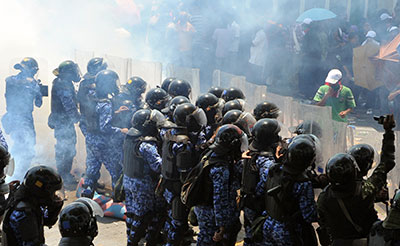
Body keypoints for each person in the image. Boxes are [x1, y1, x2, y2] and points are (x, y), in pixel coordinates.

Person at [317, 114, 396, 246]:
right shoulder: (365, 190)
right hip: (364, 241)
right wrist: (388, 132)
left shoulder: (324, 196)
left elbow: (322, 221)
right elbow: (387, 162)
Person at [159, 103, 207, 246]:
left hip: (168, 184)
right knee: (178, 225)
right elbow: (184, 175)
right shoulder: (183, 145)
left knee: (171, 220)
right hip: (177, 188)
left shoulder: (170, 134)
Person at [257, 136, 318, 245]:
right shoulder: (303, 183)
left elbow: (259, 192)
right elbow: (309, 215)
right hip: (288, 232)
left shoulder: (273, 170)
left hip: (268, 225)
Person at [194, 124, 246, 246]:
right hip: (212, 216)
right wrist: (221, 226)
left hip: (205, 210)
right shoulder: (221, 168)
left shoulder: (212, 153)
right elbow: (220, 199)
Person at [81, 70, 128, 198]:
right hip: (103, 142)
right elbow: (105, 127)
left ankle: (86, 195)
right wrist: (121, 131)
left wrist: (115, 112)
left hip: (90, 138)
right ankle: (118, 199)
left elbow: (94, 116)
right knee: (116, 171)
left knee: (92, 169)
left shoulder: (91, 96)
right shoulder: (105, 103)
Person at [123, 109, 166, 246]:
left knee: (132, 212)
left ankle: (132, 237)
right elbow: (158, 166)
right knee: (144, 215)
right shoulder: (147, 144)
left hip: (128, 179)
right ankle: (134, 242)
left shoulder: (130, 137)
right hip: (142, 184)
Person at [240, 119, 281, 246]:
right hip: (258, 205)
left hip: (249, 202)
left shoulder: (251, 151)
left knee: (250, 235)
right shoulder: (266, 161)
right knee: (259, 237)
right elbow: (265, 182)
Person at [2, 57, 43, 180]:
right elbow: (39, 103)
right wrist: (38, 88)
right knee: (27, 149)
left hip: (11, 118)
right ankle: (17, 177)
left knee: (18, 146)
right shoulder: (32, 84)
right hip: (24, 120)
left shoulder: (10, 80)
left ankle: (10, 174)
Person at [2, 165, 64, 245]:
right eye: (53, 192)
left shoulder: (27, 198)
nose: (55, 196)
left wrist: (54, 208)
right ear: (41, 192)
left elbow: (46, 220)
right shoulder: (24, 213)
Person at [48, 60, 81, 186]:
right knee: (67, 149)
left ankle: (62, 174)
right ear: (68, 73)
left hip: (61, 121)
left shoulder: (62, 82)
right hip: (63, 122)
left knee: (65, 148)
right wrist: (77, 117)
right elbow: (68, 104)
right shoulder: (63, 84)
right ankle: (64, 176)